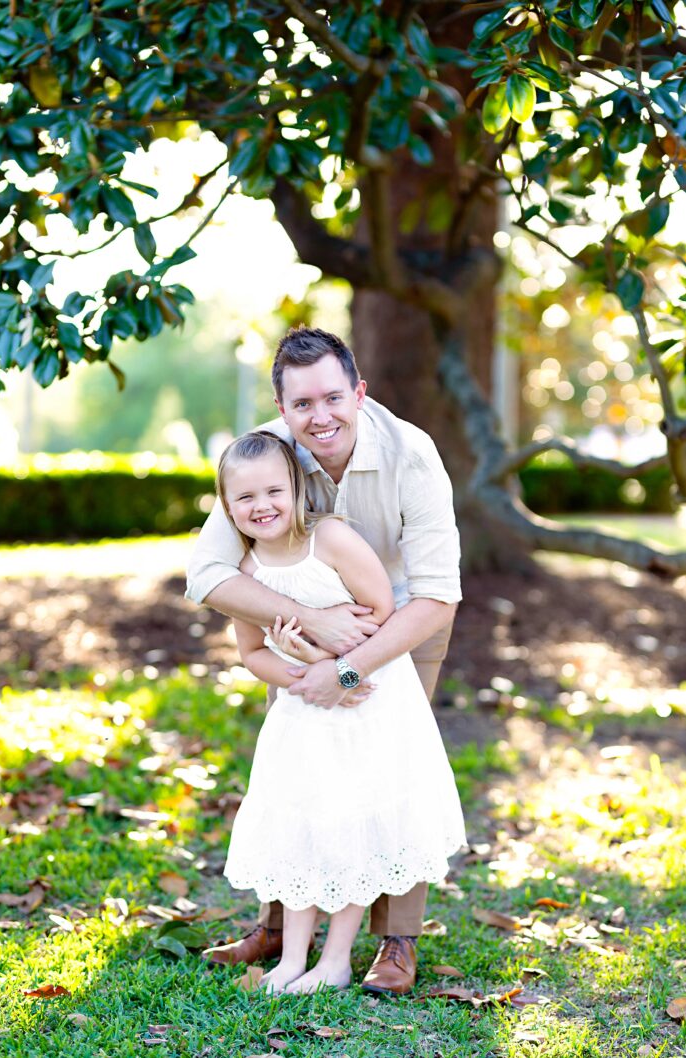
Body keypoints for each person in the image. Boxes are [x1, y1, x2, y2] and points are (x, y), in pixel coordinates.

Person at [187, 326, 462, 994]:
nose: (320, 416)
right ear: (281, 409)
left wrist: (348, 668)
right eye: (302, 403)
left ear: (358, 392)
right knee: (302, 778)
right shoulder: (261, 458)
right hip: (294, 624)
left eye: (333, 398)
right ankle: (280, 927)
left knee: (387, 775)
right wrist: (308, 625)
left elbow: (436, 596)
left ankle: (396, 940)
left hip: (401, 619)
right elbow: (207, 575)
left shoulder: (412, 454)